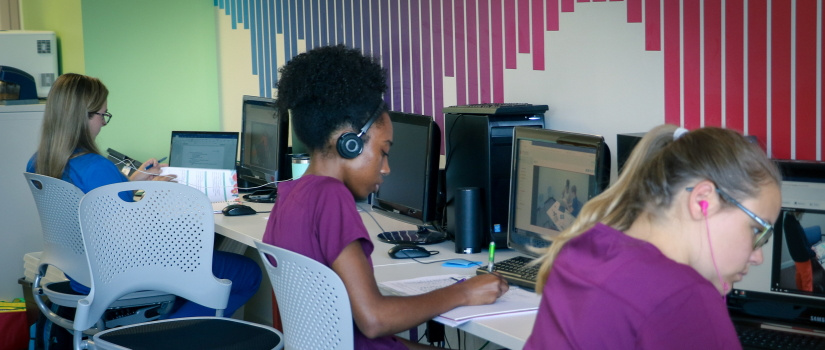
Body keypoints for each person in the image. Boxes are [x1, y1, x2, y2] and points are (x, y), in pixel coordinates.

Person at [262, 45, 509, 350]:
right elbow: (374, 319)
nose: (387, 168)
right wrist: (465, 293)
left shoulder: (290, 194)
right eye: (383, 151)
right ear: (349, 144)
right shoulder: (330, 197)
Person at [524, 124, 781, 349]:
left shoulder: (585, 247)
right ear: (703, 200)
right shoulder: (683, 297)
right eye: (758, 230)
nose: (758, 256)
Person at [27, 73, 262, 319]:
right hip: (120, 274)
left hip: (81, 274)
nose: (104, 123)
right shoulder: (96, 167)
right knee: (247, 273)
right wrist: (158, 192)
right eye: (102, 115)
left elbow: (93, 206)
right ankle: (167, 336)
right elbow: (137, 234)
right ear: (81, 117)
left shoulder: (39, 161)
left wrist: (131, 183)